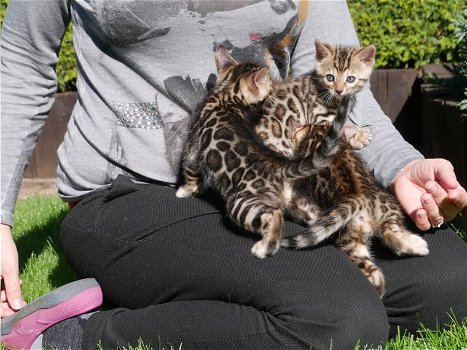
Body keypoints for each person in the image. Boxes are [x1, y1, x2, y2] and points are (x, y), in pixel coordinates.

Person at [1, 0, 466, 349]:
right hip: (133, 195)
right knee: (338, 318)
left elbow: (333, 90)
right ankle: (71, 336)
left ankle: (209, 301)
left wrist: (402, 165)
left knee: (450, 281)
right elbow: (21, 62)